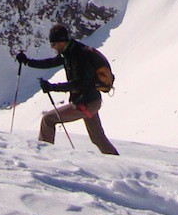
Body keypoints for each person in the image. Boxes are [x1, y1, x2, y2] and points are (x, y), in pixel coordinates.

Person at [17, 24, 119, 155]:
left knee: (48, 119)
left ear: (61, 42)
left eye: (54, 45)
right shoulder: (70, 51)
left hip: (85, 103)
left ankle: (43, 157)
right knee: (98, 138)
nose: (53, 48)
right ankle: (120, 164)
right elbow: (51, 62)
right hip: (92, 101)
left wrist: (52, 87)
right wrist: (27, 61)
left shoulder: (77, 55)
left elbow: (78, 83)